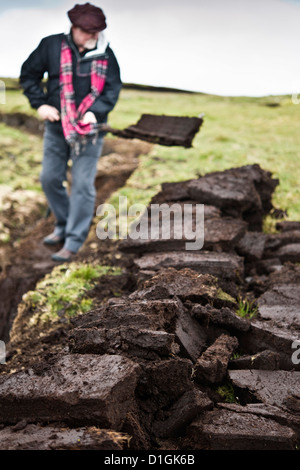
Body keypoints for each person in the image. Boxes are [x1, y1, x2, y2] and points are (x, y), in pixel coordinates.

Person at [20, 3, 122, 262]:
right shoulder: (51, 46)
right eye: (88, 32)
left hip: (91, 132)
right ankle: (63, 225)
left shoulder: (106, 55)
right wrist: (40, 104)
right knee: (49, 179)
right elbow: (28, 75)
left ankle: (74, 241)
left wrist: (95, 112)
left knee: (82, 185)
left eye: (97, 32)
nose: (93, 37)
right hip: (57, 127)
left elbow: (112, 90)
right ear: (74, 29)